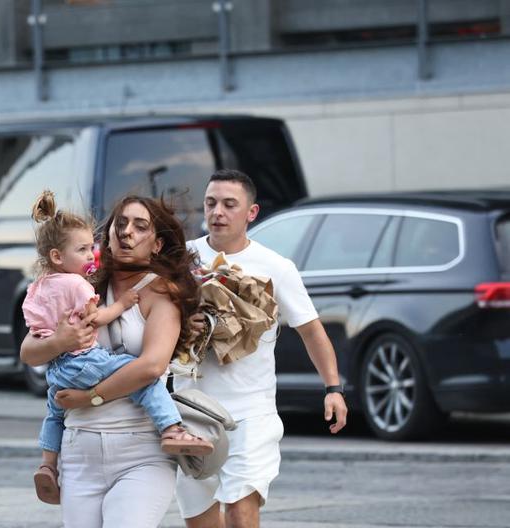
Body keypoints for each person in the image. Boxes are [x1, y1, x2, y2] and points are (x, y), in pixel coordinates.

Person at [174, 169, 349, 528]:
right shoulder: (181, 260)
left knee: (240, 510)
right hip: (191, 409)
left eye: (229, 204)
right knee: (200, 521)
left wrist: (333, 388)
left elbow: (312, 331)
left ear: (251, 213)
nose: (217, 211)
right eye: (211, 203)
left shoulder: (276, 268)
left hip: (250, 412)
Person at [20, 194, 203, 528]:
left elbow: (151, 366)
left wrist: (90, 397)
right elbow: (29, 351)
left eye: (139, 225)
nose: (126, 232)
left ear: (158, 244)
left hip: (141, 450)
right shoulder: (79, 285)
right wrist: (60, 341)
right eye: (120, 223)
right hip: (80, 449)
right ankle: (48, 462)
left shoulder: (162, 292)